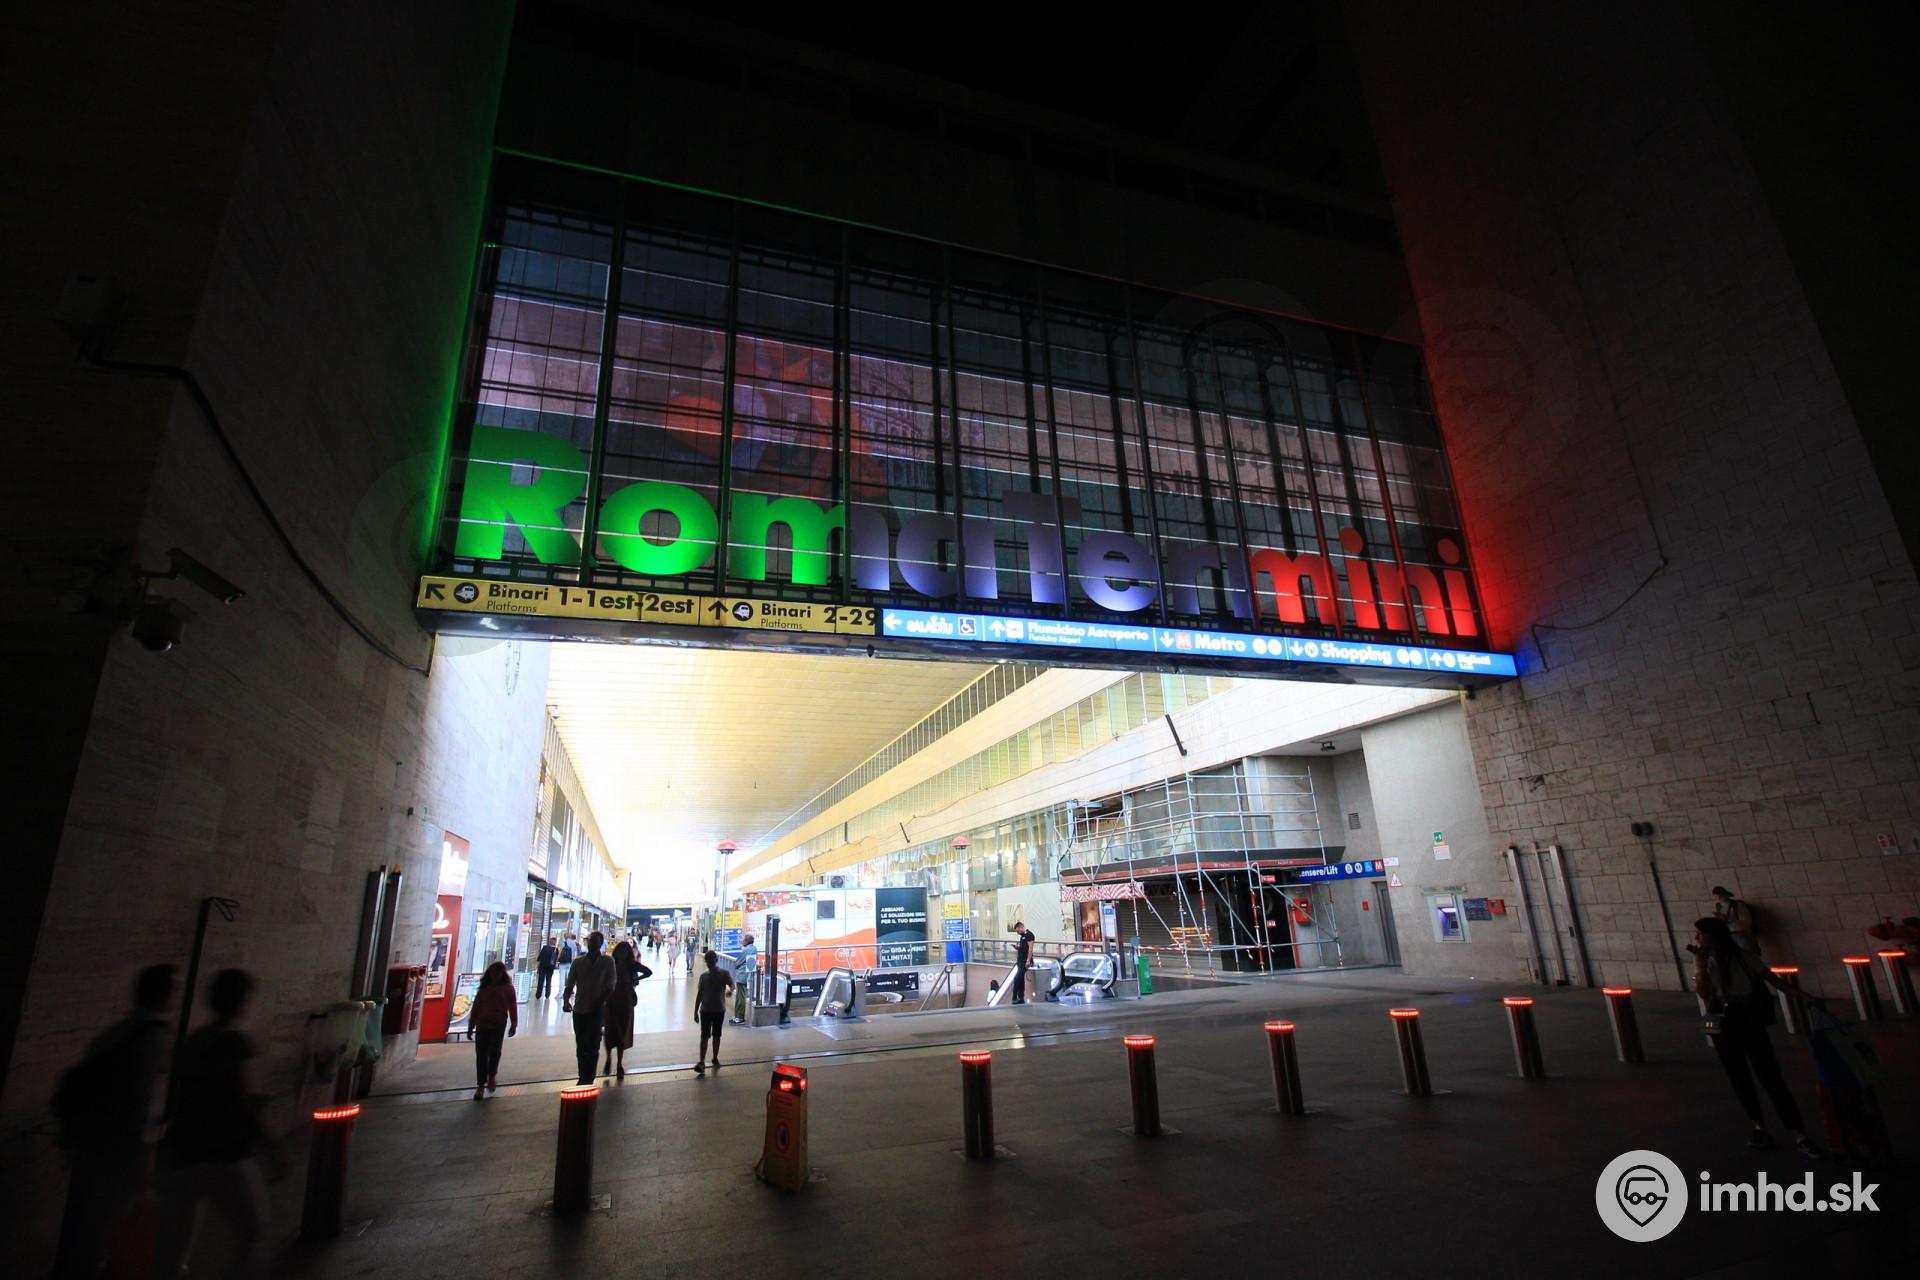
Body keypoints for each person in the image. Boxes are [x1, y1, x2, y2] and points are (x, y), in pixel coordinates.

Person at [52, 962, 174, 1279]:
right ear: (165, 996)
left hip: (89, 1143)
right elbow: (146, 1106)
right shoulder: (153, 1038)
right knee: (105, 1230)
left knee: (81, 1229)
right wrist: (146, 1159)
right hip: (119, 1151)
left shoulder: (114, 1034)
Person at [155, 969, 273, 1278]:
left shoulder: (193, 1042)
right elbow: (245, 1101)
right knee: (253, 1235)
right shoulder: (234, 1042)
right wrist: (272, 1145)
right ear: (240, 1001)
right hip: (225, 1153)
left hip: (182, 1153)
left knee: (174, 1245)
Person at [1691, 917, 1819, 1155]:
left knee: (1769, 1074)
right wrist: (1700, 969)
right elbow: (1704, 993)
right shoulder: (1704, 961)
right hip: (1721, 1018)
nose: (1697, 938)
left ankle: (1798, 1132)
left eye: (1700, 933)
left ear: (1714, 936)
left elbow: (1776, 982)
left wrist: (1806, 998)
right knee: (1738, 1075)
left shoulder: (1744, 957)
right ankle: (1759, 1126)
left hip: (1746, 1016)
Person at [562, 931, 616, 1086]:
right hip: (579, 1009)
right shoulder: (578, 962)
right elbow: (570, 983)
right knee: (581, 1045)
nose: (592, 943)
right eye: (591, 940)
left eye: (595, 941)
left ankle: (589, 1077)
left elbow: (611, 985)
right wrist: (566, 1001)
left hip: (597, 1010)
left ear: (601, 943)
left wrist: (601, 1001)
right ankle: (582, 1075)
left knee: (593, 1044)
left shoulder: (607, 962)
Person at [469, 961, 519, 1099]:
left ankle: (491, 1076)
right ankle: (480, 1085)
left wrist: (514, 1024)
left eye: (498, 973)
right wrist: (471, 1026)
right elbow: (476, 1008)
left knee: (495, 1052)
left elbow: (512, 1007)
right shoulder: (484, 988)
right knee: (481, 1055)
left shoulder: (508, 989)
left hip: (498, 1025)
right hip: (482, 1025)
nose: (495, 975)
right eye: (493, 973)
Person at [602, 939, 651, 1077]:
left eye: (624, 952)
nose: (622, 954)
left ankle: (619, 1063)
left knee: (622, 1031)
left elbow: (648, 972)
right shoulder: (614, 964)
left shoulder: (624, 964)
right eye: (620, 951)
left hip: (623, 1000)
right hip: (614, 1000)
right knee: (610, 1030)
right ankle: (609, 1058)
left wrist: (635, 980)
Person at [693, 949, 735, 1074]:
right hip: (709, 1010)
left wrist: (730, 990)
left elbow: (732, 985)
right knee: (708, 1036)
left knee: (712, 1036)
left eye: (710, 961)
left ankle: (711, 1059)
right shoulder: (704, 976)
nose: (709, 963)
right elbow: (699, 995)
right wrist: (695, 1011)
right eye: (708, 961)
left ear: (715, 960)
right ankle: (705, 1061)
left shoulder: (723, 974)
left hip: (715, 1010)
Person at [1710, 886, 1761, 960]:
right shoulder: (1719, 907)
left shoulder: (1737, 905)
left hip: (1741, 934)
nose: (1719, 899)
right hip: (1728, 935)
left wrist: (1728, 919)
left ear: (1725, 894)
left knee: (1750, 956)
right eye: (1717, 898)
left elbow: (1747, 922)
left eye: (1720, 897)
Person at [731, 932, 759, 1023]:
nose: (742, 941)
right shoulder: (754, 949)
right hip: (748, 976)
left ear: (747, 941)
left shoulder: (745, 950)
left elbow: (737, 963)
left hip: (742, 976)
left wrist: (736, 964)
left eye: (743, 940)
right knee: (741, 996)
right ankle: (738, 1016)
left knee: (740, 997)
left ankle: (739, 1017)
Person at [1009, 921, 1036, 1005]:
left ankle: (1015, 996)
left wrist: (1028, 960)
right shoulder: (1022, 936)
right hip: (1020, 960)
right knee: (1020, 979)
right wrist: (1017, 947)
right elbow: (1023, 948)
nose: (1017, 933)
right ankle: (1020, 997)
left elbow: (1030, 949)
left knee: (1018, 978)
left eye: (1017, 931)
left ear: (1021, 928)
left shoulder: (1029, 935)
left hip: (1025, 961)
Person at [535, 935, 559, 999]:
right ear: (555, 942)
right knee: (549, 980)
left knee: (541, 980)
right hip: (550, 967)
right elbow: (556, 959)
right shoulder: (556, 949)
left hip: (543, 966)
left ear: (549, 941)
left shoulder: (545, 947)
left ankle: (538, 995)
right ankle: (547, 995)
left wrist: (538, 966)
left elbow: (540, 957)